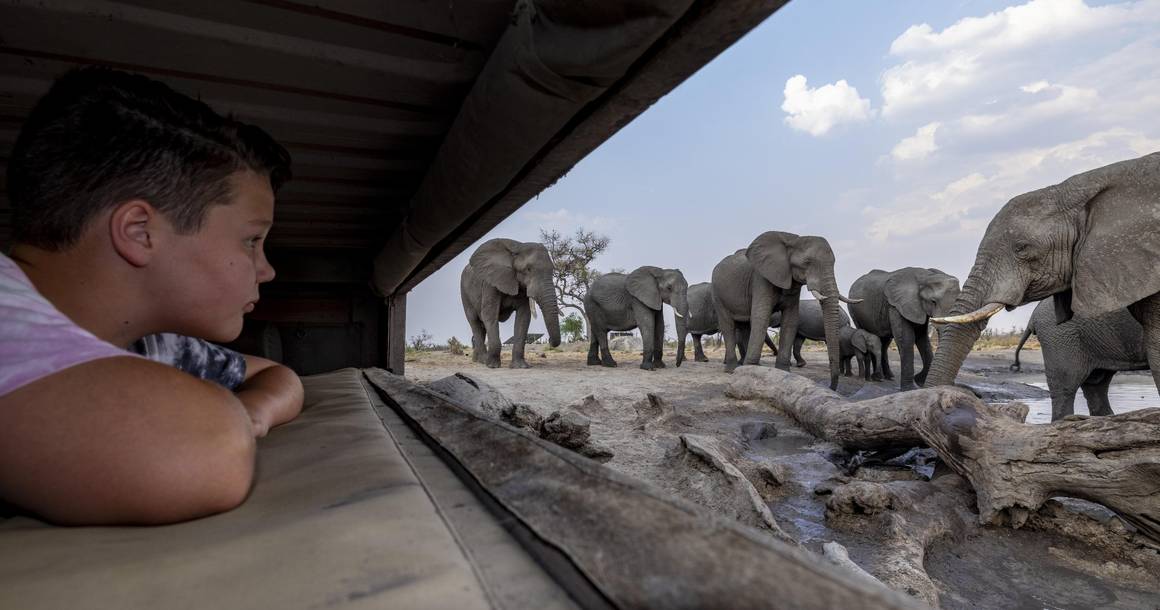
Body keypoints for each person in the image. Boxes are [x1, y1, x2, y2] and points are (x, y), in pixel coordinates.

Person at [0, 68, 304, 525]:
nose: (266, 269)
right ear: (140, 233)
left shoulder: (151, 346)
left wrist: (254, 412)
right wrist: (233, 421)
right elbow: (205, 449)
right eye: (250, 241)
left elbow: (277, 375)